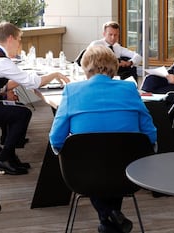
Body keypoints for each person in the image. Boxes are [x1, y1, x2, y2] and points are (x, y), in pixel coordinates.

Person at [49, 45, 157, 233]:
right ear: (114, 67)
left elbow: (56, 139)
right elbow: (150, 133)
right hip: (127, 171)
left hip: (83, 173)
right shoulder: (129, 88)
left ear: (85, 67)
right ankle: (113, 214)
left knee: (94, 161)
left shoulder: (71, 91)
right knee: (115, 159)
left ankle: (108, 216)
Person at [0, 22, 70, 175]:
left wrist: (6, 90)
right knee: (23, 113)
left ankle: (10, 156)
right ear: (11, 39)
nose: (20, 44)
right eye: (19, 40)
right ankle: (4, 158)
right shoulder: (1, 61)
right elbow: (32, 82)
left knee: (16, 108)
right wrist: (55, 75)